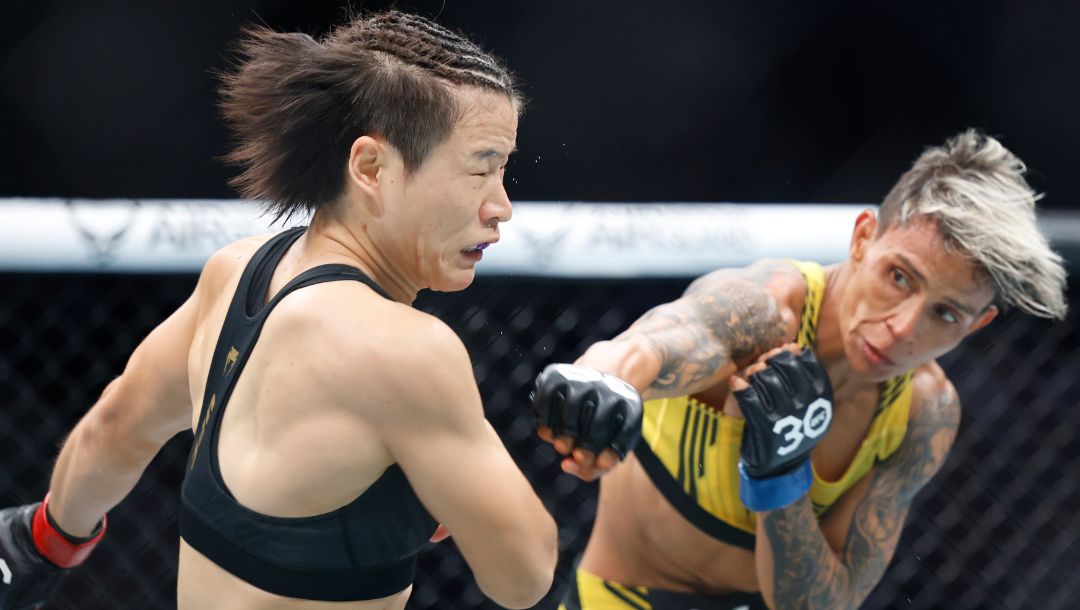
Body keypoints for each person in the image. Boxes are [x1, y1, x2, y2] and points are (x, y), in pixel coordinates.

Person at [0, 10, 558, 610]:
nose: (501, 206)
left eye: (504, 170)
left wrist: (47, 539)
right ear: (372, 168)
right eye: (481, 167)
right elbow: (523, 579)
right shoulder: (407, 353)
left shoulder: (237, 272)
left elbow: (115, 429)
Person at [533, 130, 1067, 609]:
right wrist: (605, 378)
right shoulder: (767, 311)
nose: (904, 328)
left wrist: (781, 478)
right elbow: (669, 336)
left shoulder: (924, 411)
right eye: (900, 277)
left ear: (976, 326)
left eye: (945, 314)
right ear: (863, 239)